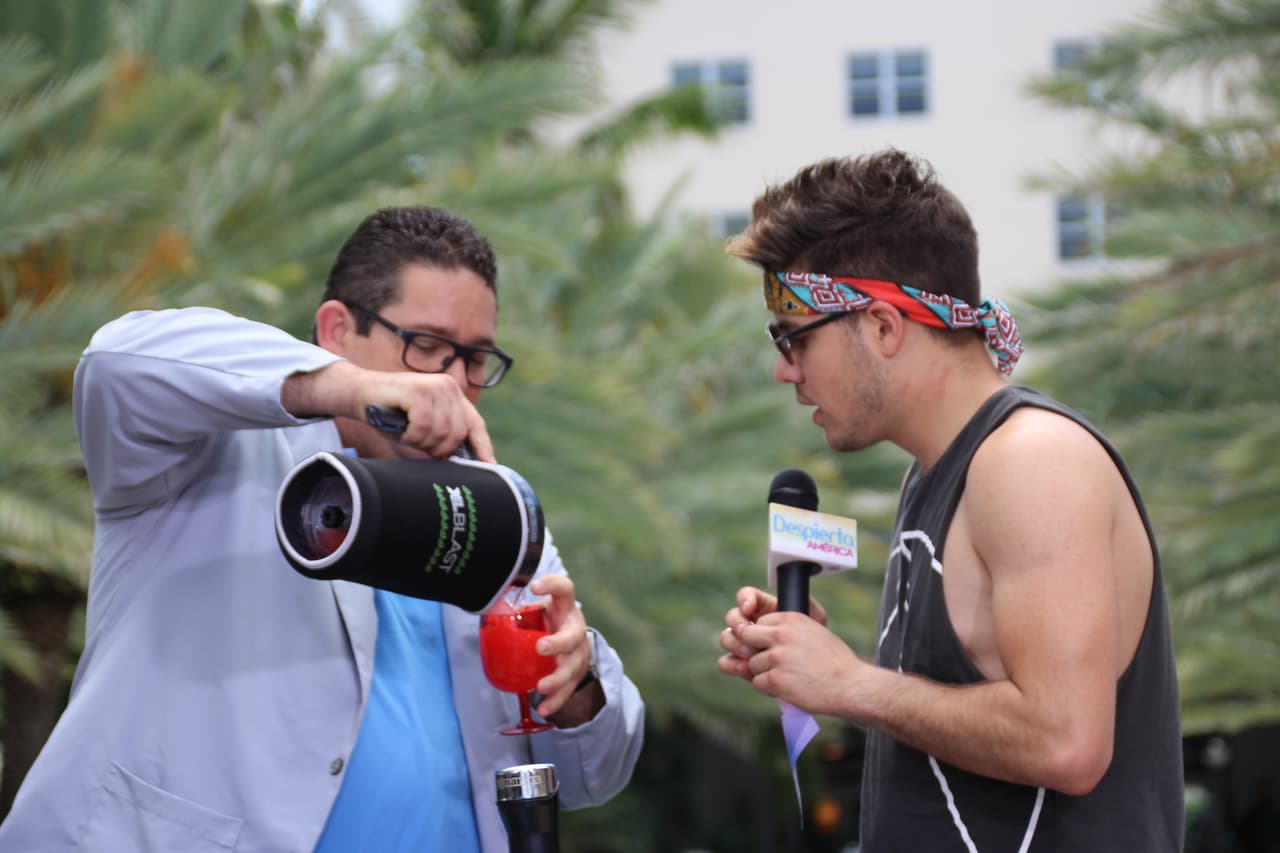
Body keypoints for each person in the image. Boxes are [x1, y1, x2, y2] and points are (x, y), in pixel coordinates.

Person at [0, 206, 644, 853]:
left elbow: (598, 773)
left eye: (475, 359)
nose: (453, 383)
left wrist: (580, 686)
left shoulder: (493, 508)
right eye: (426, 346)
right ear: (336, 331)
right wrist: (357, 390)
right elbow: (117, 359)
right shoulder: (211, 452)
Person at [716, 150, 1183, 850]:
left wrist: (849, 684)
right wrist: (812, 655)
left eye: (792, 339)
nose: (786, 370)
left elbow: (1067, 743)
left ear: (880, 327)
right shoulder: (934, 473)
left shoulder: (1032, 461)